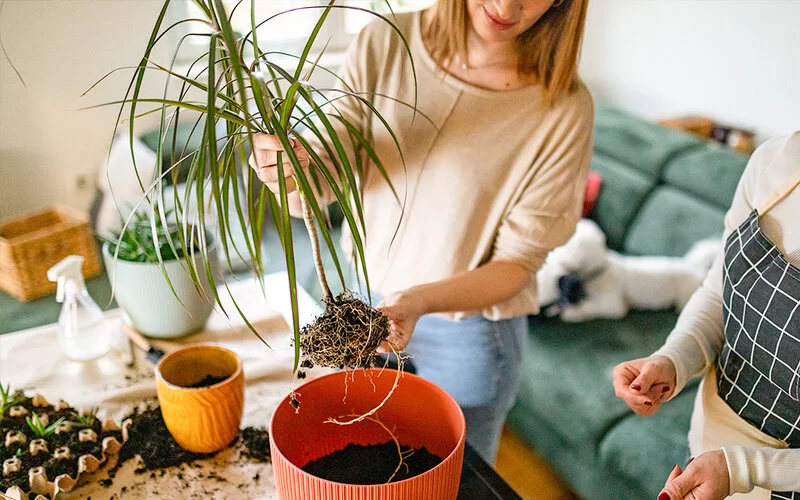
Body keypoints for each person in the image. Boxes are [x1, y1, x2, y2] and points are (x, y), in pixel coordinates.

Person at [249, 0, 593, 463]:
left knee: (452, 482)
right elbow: (338, 151)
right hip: (373, 302)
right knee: (372, 465)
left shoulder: (562, 107)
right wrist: (291, 169)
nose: (509, 6)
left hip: (470, 335)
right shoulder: (385, 42)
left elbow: (519, 263)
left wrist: (419, 301)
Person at [613, 132, 800, 500]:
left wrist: (739, 469)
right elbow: (719, 293)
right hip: (709, 448)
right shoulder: (773, 162)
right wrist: (672, 360)